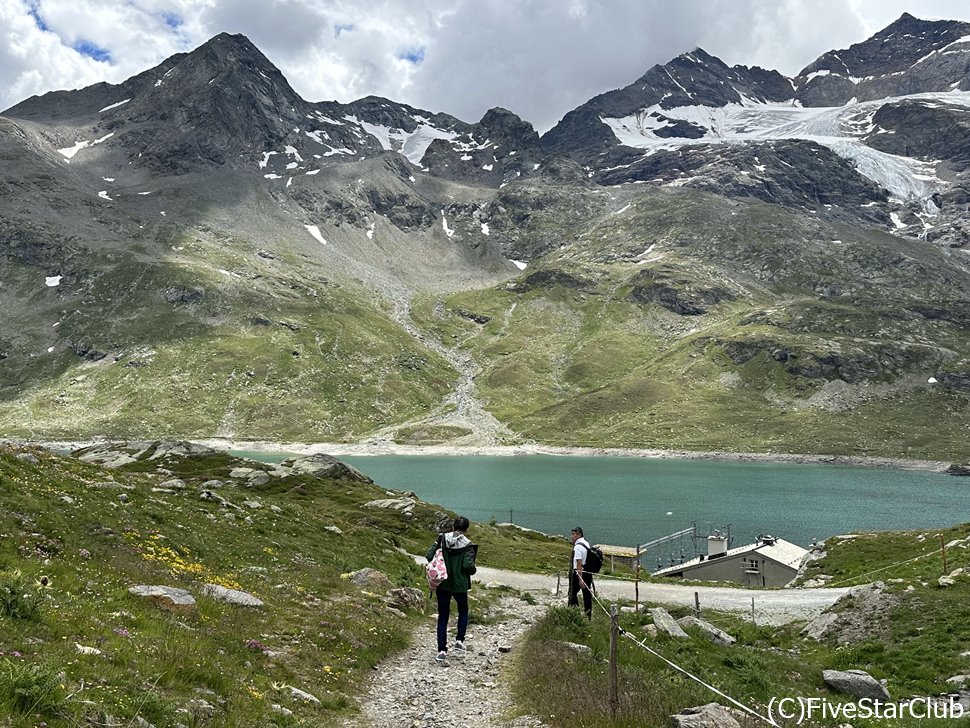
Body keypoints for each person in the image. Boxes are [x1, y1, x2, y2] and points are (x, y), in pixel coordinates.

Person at [426, 516, 478, 664]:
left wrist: (437, 542)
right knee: (463, 610)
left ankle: (441, 651)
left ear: (453, 527)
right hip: (460, 585)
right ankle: (459, 640)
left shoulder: (442, 539)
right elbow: (469, 567)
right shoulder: (468, 545)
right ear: (466, 529)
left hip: (442, 583)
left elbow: (429, 555)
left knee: (443, 616)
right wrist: (473, 569)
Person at [568, 526, 593, 618]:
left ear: (579, 534)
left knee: (572, 593)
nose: (572, 536)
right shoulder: (586, 544)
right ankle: (588, 616)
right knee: (587, 595)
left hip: (579, 573)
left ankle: (574, 614)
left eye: (573, 534)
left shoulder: (578, 546)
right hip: (588, 572)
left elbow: (579, 563)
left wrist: (580, 579)